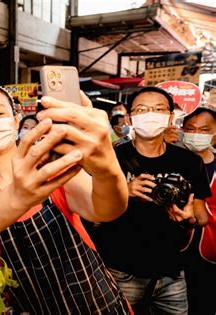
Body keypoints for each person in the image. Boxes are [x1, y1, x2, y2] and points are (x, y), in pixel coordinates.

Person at [0, 85, 131, 314]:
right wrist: (20, 195)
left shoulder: (52, 166)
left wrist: (107, 168)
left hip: (96, 301)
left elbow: (106, 209)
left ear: (16, 119)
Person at [90, 87, 211, 314]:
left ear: (170, 117)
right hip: (119, 271)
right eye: (142, 109)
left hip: (171, 273)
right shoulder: (110, 158)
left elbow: (201, 215)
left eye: (158, 109)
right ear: (130, 118)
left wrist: (188, 219)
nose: (150, 114)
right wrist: (122, 190)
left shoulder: (190, 161)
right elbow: (89, 207)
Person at [180, 106, 216, 315]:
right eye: (191, 128)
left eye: (204, 130)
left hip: (210, 250)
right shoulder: (172, 160)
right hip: (175, 248)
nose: (196, 134)